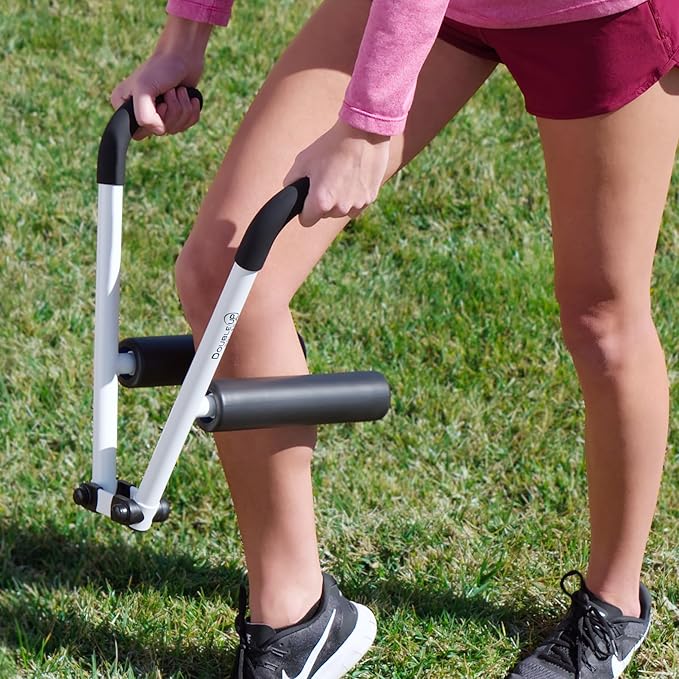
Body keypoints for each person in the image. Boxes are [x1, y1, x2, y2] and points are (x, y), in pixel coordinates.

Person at [110, 0, 679, 676]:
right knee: (226, 270)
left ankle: (613, 604)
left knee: (601, 316)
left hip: (586, 15)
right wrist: (186, 35)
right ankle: (295, 615)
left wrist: (368, 122)